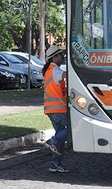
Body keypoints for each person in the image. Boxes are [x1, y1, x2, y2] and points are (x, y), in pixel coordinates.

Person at [42, 45, 70, 173]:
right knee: (72, 129)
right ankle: (51, 141)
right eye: (61, 55)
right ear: (54, 57)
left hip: (51, 110)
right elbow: (68, 75)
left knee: (61, 138)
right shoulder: (56, 70)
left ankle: (55, 164)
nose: (63, 57)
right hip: (58, 110)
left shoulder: (49, 70)